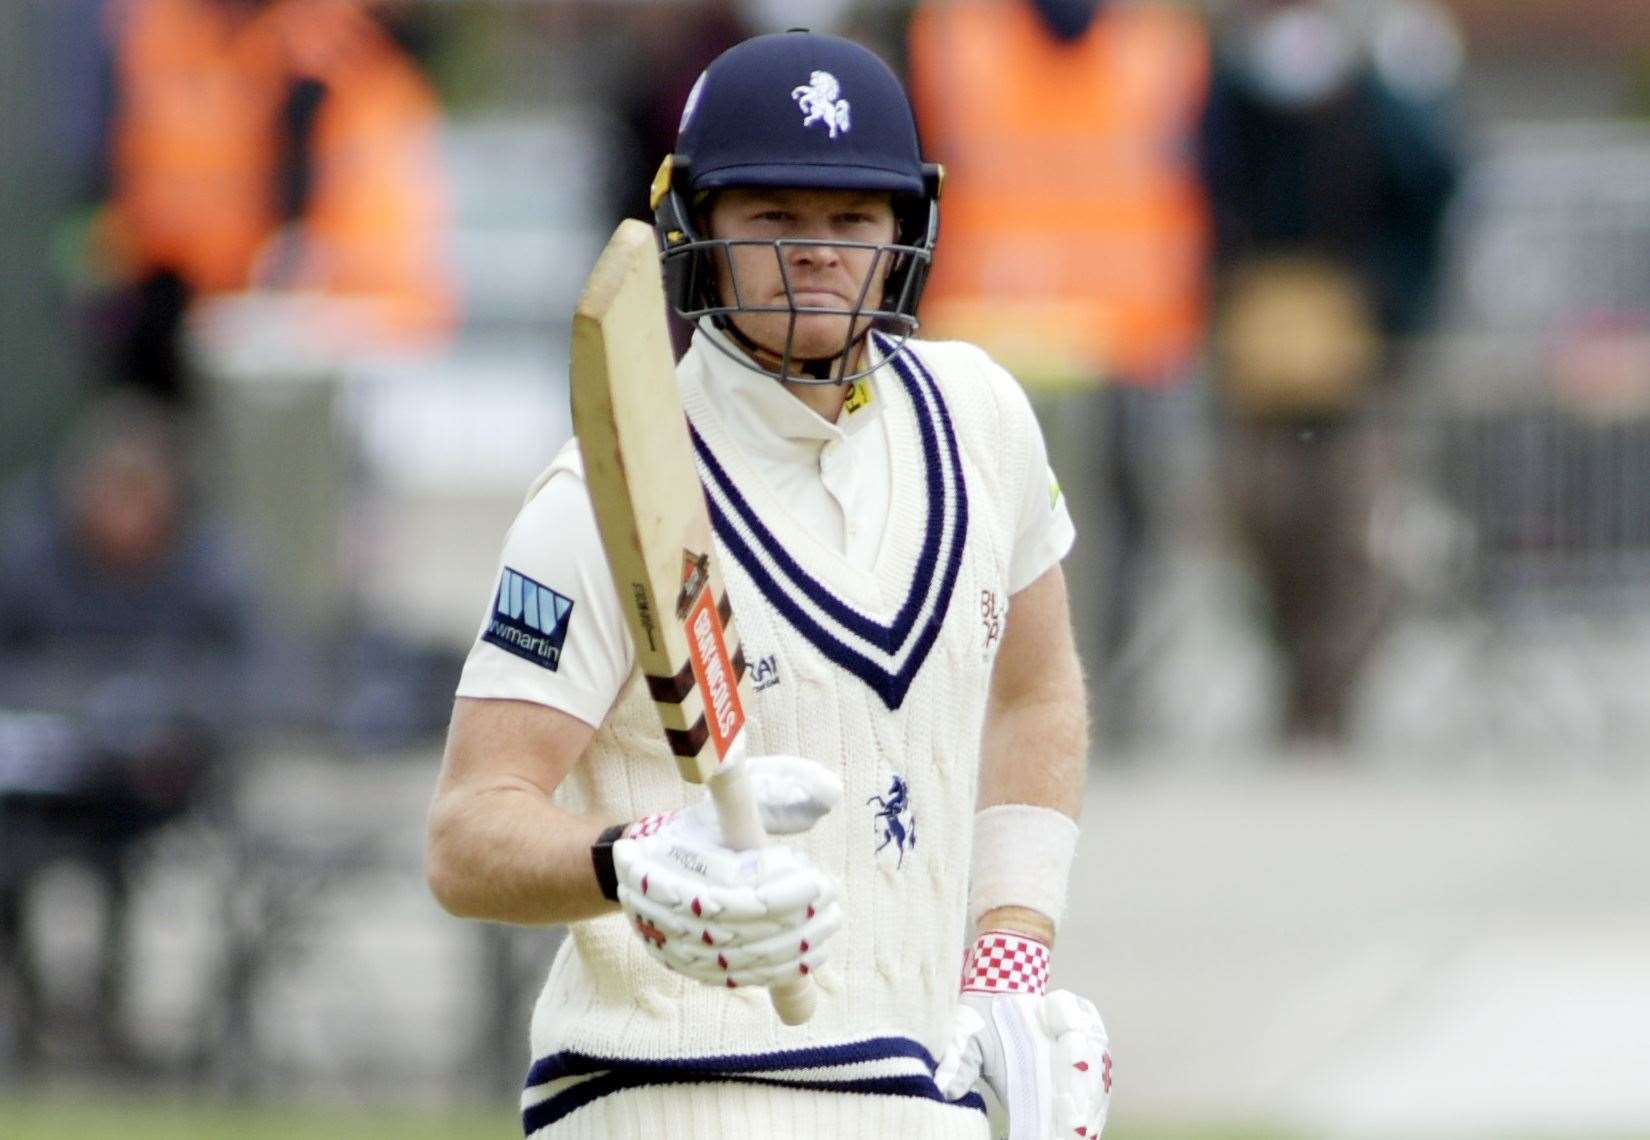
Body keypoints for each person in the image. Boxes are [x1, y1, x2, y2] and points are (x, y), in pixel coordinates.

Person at [426, 30, 1110, 1139]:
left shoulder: (982, 418)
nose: (817, 255)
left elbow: (1035, 691)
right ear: (697, 225)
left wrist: (1007, 966)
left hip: (916, 1091)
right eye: (774, 220)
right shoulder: (602, 492)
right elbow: (466, 837)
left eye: (851, 221)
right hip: (660, 1092)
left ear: (906, 231)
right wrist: (638, 860)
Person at [906, 0, 1211, 745]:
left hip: (1128, 341)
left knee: (1121, 539)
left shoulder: (1164, 41)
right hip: (990, 338)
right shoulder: (952, 36)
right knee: (983, 538)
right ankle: (979, 700)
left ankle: (1109, 700)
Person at [1199, 0, 1459, 746]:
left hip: (1358, 344)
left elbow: (1431, 184)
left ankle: (1330, 693)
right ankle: (1293, 671)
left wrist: (1392, 298)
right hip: (1257, 340)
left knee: (1349, 524)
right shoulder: (1233, 91)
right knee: (1262, 512)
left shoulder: (1382, 93)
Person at [86, 0, 455, 404]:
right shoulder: (162, 32)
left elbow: (388, 282)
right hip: (178, 330)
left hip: (313, 364)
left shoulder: (347, 64)